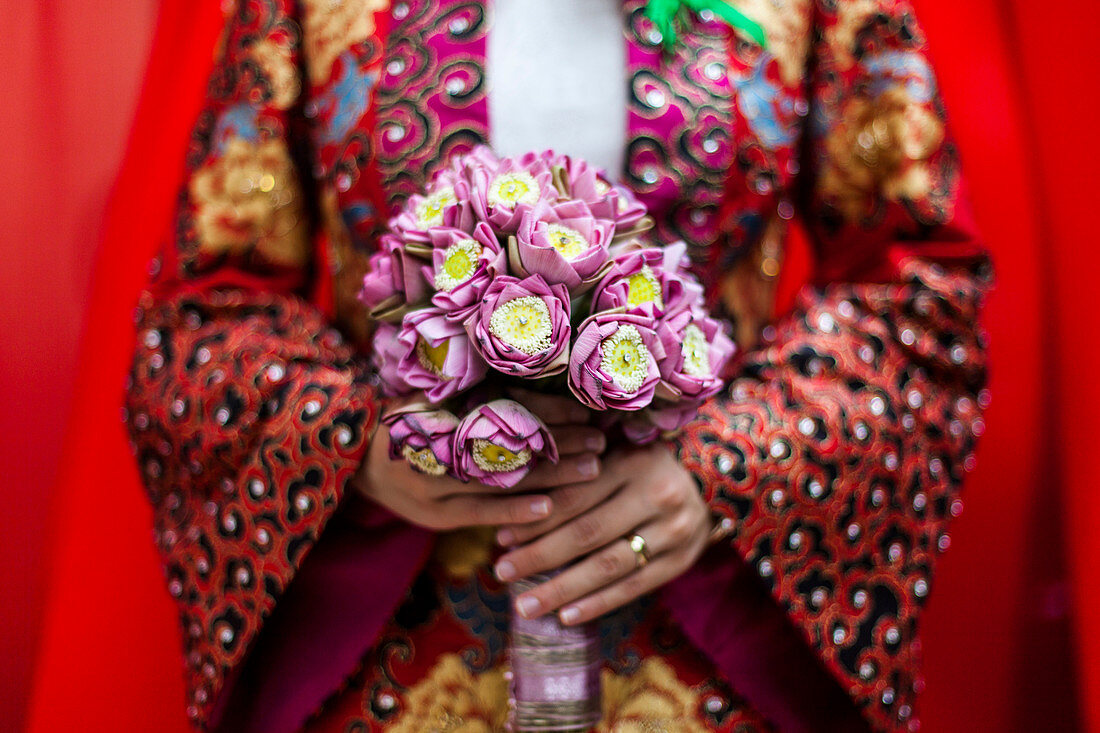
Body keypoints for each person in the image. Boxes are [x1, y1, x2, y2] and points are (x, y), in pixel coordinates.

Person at [124, 0, 990, 730]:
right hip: (400, 653)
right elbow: (205, 312)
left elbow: (916, 284)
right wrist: (357, 446)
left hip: (706, 631)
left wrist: (730, 463)